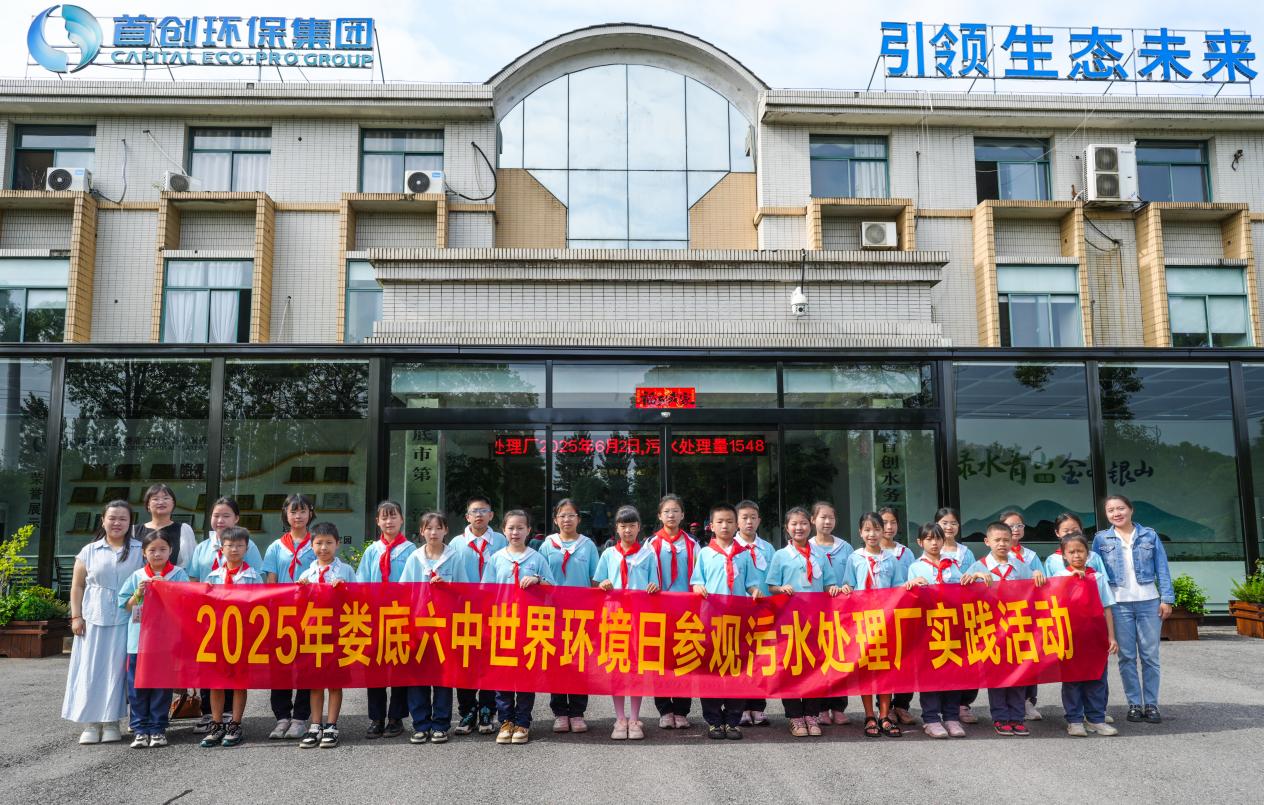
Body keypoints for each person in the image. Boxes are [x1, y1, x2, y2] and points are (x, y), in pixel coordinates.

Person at [63, 499, 144, 745]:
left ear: (130, 523)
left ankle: (111, 722)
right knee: (91, 669)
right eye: (112, 518)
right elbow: (77, 586)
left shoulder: (140, 550)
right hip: (93, 618)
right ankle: (91, 722)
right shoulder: (89, 550)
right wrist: (76, 616)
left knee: (117, 671)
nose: (117, 523)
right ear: (103, 521)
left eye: (123, 519)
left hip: (127, 619)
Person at [1092, 493, 1174, 725]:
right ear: (1106, 514)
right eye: (1111, 510)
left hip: (1149, 602)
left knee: (1150, 656)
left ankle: (1152, 704)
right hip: (1118, 605)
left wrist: (1167, 598)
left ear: (1130, 510)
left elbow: (1162, 567)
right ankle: (1134, 704)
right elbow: (1095, 572)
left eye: (1120, 508)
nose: (1116, 513)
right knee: (1127, 657)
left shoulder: (1149, 535)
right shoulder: (1101, 538)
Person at [187, 496, 263, 734]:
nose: (220, 520)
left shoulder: (248, 547)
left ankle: (232, 717)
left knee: (237, 672)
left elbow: (258, 586)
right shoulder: (202, 548)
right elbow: (194, 580)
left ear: (236, 518)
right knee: (211, 669)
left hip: (240, 623)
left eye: (226, 515)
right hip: (211, 623)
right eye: (216, 515)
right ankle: (211, 715)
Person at [964, 521, 1045, 736]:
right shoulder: (978, 566)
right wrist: (975, 577)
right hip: (991, 630)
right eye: (997, 540)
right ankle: (1000, 717)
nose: (1002, 544)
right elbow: (962, 590)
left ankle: (1017, 717)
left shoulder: (1020, 566)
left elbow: (1034, 589)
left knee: (1018, 674)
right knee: (997, 675)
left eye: (1006, 540)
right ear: (987, 542)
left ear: (1012, 542)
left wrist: (1037, 573)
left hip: (1016, 629)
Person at [481, 509, 554, 745]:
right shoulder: (496, 559)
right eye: (511, 528)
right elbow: (485, 592)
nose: (515, 532)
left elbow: (553, 589)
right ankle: (506, 720)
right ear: (504, 530)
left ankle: (523, 722)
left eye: (520, 528)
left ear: (528, 530)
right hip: (503, 624)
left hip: (528, 626)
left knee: (525, 676)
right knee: (502, 675)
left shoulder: (536, 558)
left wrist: (538, 580)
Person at [766, 506, 839, 737]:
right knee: (790, 667)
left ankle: (811, 714)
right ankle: (795, 716)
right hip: (788, 621)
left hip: (815, 620)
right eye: (794, 524)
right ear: (787, 528)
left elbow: (828, 583)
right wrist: (781, 588)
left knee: (814, 667)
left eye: (803, 523)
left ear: (810, 525)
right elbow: (771, 586)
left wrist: (833, 588)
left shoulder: (820, 554)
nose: (799, 528)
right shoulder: (780, 555)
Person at [691, 503, 760, 740]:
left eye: (730, 521)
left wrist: (754, 590)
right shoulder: (704, 553)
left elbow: (751, 582)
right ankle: (713, 721)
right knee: (711, 669)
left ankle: (732, 720)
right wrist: (698, 587)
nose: (725, 526)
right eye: (720, 521)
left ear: (736, 525)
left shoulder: (744, 554)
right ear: (711, 525)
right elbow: (697, 581)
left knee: (736, 669)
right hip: (711, 621)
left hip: (737, 622)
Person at [118, 528, 190, 748]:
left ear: (171, 551)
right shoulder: (137, 576)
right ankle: (140, 728)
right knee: (137, 686)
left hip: (165, 641)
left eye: (162, 549)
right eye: (152, 550)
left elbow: (187, 602)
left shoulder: (178, 574)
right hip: (138, 641)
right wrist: (138, 593)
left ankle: (158, 728)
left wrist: (168, 589)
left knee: (161, 685)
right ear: (144, 553)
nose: (157, 554)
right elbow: (125, 606)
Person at [594, 504, 660, 740]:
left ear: (639, 527)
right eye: (623, 526)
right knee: (617, 666)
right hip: (614, 617)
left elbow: (655, 583)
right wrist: (602, 584)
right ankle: (619, 718)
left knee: (636, 667)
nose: (628, 530)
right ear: (616, 528)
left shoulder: (648, 554)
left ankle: (634, 718)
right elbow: (598, 581)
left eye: (632, 526)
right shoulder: (608, 554)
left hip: (638, 617)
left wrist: (653, 586)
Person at [840, 511, 908, 738]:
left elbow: (898, 587)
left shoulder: (891, 558)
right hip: (863, 620)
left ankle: (884, 715)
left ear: (883, 531)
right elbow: (848, 584)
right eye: (867, 529)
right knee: (867, 668)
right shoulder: (854, 558)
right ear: (860, 532)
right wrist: (846, 589)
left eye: (876, 529)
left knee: (886, 668)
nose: (872, 534)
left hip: (885, 619)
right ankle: (869, 715)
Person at [401, 511, 465, 744]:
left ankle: (440, 724)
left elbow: (464, 590)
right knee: (418, 675)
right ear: (422, 531)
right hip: (419, 624)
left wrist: (448, 586)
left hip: (444, 625)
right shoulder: (414, 558)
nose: (433, 532)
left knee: (442, 676)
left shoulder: (454, 557)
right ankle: (420, 724)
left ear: (446, 530)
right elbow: (404, 590)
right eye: (428, 528)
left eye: (438, 528)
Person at [356, 500, 416, 740]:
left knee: (400, 666)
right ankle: (376, 717)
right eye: (384, 517)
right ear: (377, 521)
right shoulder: (372, 550)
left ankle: (396, 717)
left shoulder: (411, 550)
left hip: (401, 616)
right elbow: (361, 582)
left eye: (393, 516)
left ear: (402, 520)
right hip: (374, 617)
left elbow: (415, 583)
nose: (389, 521)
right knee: (375, 668)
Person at [539, 498, 600, 733]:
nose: (567, 519)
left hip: (580, 613)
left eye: (571, 515)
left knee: (579, 663)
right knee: (556, 663)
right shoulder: (547, 546)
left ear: (579, 519)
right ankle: (560, 712)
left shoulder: (588, 546)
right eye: (562, 515)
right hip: (553, 613)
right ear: (555, 520)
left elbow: (595, 579)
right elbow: (540, 577)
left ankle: (577, 712)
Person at [200, 526, 263, 748]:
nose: (234, 549)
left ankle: (235, 723)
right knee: (216, 682)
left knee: (238, 682)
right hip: (217, 636)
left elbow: (261, 605)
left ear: (246, 548)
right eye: (230, 545)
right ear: (222, 548)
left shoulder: (254, 577)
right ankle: (216, 723)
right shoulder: (212, 577)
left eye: (239, 545)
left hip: (242, 637)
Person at [262, 493, 317, 741]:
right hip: (282, 614)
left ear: (310, 513)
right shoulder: (276, 546)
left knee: (306, 666)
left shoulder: (317, 542)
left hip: (309, 614)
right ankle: (282, 716)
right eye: (293, 511)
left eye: (303, 511)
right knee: (281, 666)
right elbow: (271, 581)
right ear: (285, 513)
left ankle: (300, 718)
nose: (298, 516)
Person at [904, 522, 966, 739]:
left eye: (938, 538)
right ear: (920, 542)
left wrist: (970, 579)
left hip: (951, 626)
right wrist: (912, 585)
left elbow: (963, 589)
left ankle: (951, 716)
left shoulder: (952, 565)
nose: (934, 543)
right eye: (929, 539)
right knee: (929, 672)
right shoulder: (915, 567)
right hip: (927, 628)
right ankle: (931, 718)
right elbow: (906, 596)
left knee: (952, 670)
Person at [451, 495, 506, 736]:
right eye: (474, 511)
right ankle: (467, 710)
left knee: (489, 660)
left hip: (494, 610)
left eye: (484, 511)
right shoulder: (456, 543)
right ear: (467, 517)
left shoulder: (502, 540)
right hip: (464, 611)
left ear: (491, 515)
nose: (479, 515)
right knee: (465, 661)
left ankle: (487, 709)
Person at [1054, 531, 1119, 737]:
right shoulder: (1059, 578)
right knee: (1072, 680)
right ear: (1064, 555)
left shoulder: (1097, 577)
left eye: (1080, 551)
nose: (1076, 555)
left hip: (1095, 638)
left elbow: (1107, 607)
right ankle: (1074, 720)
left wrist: (1111, 637)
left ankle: (1096, 719)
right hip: (1070, 639)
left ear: (1088, 553)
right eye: (1071, 552)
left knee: (1096, 679)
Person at [296, 522, 355, 748]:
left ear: (337, 544)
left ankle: (331, 725)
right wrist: (300, 589)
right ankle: (315, 724)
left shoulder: (345, 570)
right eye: (319, 543)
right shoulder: (307, 573)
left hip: (337, 633)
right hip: (313, 634)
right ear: (311, 545)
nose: (323, 548)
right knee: (315, 682)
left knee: (335, 682)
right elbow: (296, 605)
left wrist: (344, 588)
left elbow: (358, 597)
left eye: (329, 543)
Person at [648, 493, 698, 729]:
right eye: (667, 511)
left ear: (682, 515)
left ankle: (681, 710)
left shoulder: (692, 544)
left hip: (686, 610)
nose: (671, 515)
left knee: (684, 659)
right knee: (661, 661)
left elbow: (699, 575)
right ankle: (664, 709)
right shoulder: (651, 544)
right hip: (659, 610)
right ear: (660, 516)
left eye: (675, 511)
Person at [934, 506, 979, 724]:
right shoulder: (932, 551)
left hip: (963, 612)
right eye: (944, 523)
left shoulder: (966, 553)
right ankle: (942, 704)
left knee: (967, 658)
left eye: (953, 523)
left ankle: (963, 704)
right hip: (939, 615)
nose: (949, 527)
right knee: (942, 659)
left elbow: (973, 580)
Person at [809, 500, 852, 727]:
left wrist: (845, 587)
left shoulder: (845, 548)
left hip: (842, 612)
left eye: (831, 518)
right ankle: (821, 707)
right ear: (813, 520)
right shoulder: (806, 547)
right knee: (819, 659)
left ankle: (838, 706)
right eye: (822, 517)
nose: (827, 522)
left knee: (840, 657)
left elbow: (851, 577)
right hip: (815, 612)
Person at [999, 509, 1045, 721]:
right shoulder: (996, 555)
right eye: (1010, 526)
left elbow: (1043, 584)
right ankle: (1005, 705)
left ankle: (1028, 701)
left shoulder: (1031, 556)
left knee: (1029, 657)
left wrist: (1038, 574)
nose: (1015, 530)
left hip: (1027, 614)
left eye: (1019, 526)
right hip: (1002, 616)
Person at [734, 499, 774, 727]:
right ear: (737, 521)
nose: (749, 522)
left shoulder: (768, 548)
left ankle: (758, 706)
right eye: (744, 518)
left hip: (763, 612)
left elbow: (775, 578)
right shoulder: (731, 548)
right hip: (738, 612)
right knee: (740, 659)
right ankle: (740, 707)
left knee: (760, 660)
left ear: (759, 520)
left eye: (753, 517)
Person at [133, 483, 196, 569]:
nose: (161, 502)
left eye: (166, 498)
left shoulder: (183, 530)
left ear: (173, 503)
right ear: (148, 505)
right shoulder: (134, 531)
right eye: (155, 499)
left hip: (174, 577)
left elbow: (189, 564)